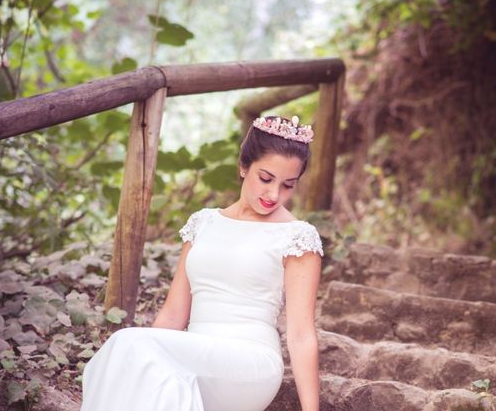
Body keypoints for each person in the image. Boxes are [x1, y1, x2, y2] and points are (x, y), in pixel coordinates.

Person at [81, 115, 324, 411]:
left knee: (128, 344)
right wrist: (151, 354)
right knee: (133, 355)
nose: (274, 194)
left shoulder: (298, 236)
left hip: (249, 364)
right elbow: (172, 315)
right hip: (193, 356)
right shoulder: (204, 222)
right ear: (243, 166)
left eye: (288, 185)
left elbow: (300, 335)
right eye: (266, 178)